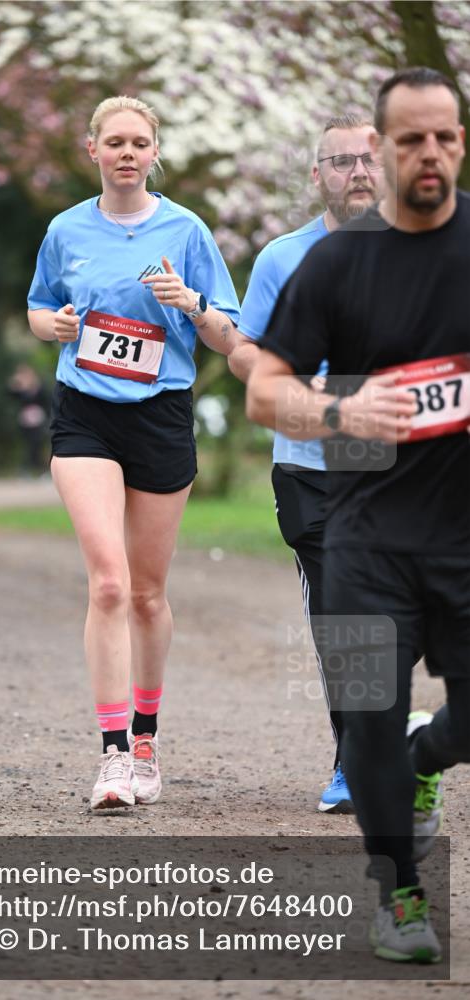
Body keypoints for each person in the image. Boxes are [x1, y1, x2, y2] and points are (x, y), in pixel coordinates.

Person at [247, 67, 469, 962]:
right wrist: (336, 414)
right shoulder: (334, 262)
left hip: (463, 536)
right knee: (364, 716)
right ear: (376, 152)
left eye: (444, 137)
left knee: (424, 732)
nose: (428, 154)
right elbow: (265, 389)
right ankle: (399, 897)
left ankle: (425, 759)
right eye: (409, 138)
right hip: (364, 534)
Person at [27, 95, 241, 810]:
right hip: (85, 414)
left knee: (147, 593)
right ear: (92, 150)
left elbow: (227, 335)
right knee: (109, 584)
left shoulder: (186, 231)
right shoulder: (65, 229)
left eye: (138, 142)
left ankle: (147, 740)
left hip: (160, 416)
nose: (125, 152)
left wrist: (189, 303)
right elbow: (38, 306)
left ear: (155, 153)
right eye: (113, 141)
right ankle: (112, 755)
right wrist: (51, 325)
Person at [228, 114, 383, 814]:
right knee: (343, 614)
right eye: (340, 160)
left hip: (409, 465)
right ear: (316, 174)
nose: (357, 172)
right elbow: (248, 356)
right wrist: (302, 392)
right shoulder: (280, 259)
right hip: (311, 464)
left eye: (368, 159)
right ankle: (356, 765)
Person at [7, 364, 51, 477]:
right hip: (25, 421)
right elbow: (9, 395)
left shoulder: (39, 388)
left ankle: (42, 470)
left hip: (38, 420)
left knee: (37, 445)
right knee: (28, 446)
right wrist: (16, 384)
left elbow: (47, 402)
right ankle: (27, 469)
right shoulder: (20, 390)